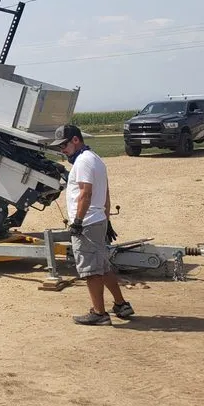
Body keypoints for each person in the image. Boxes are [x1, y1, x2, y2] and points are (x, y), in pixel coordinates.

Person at [51, 124, 135, 325]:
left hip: (87, 223)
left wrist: (77, 222)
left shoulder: (83, 162)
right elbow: (105, 192)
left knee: (91, 271)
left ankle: (99, 313)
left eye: (64, 145)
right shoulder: (95, 159)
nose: (62, 150)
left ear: (75, 140)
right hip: (97, 220)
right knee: (103, 267)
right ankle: (121, 304)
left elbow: (85, 193)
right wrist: (106, 219)